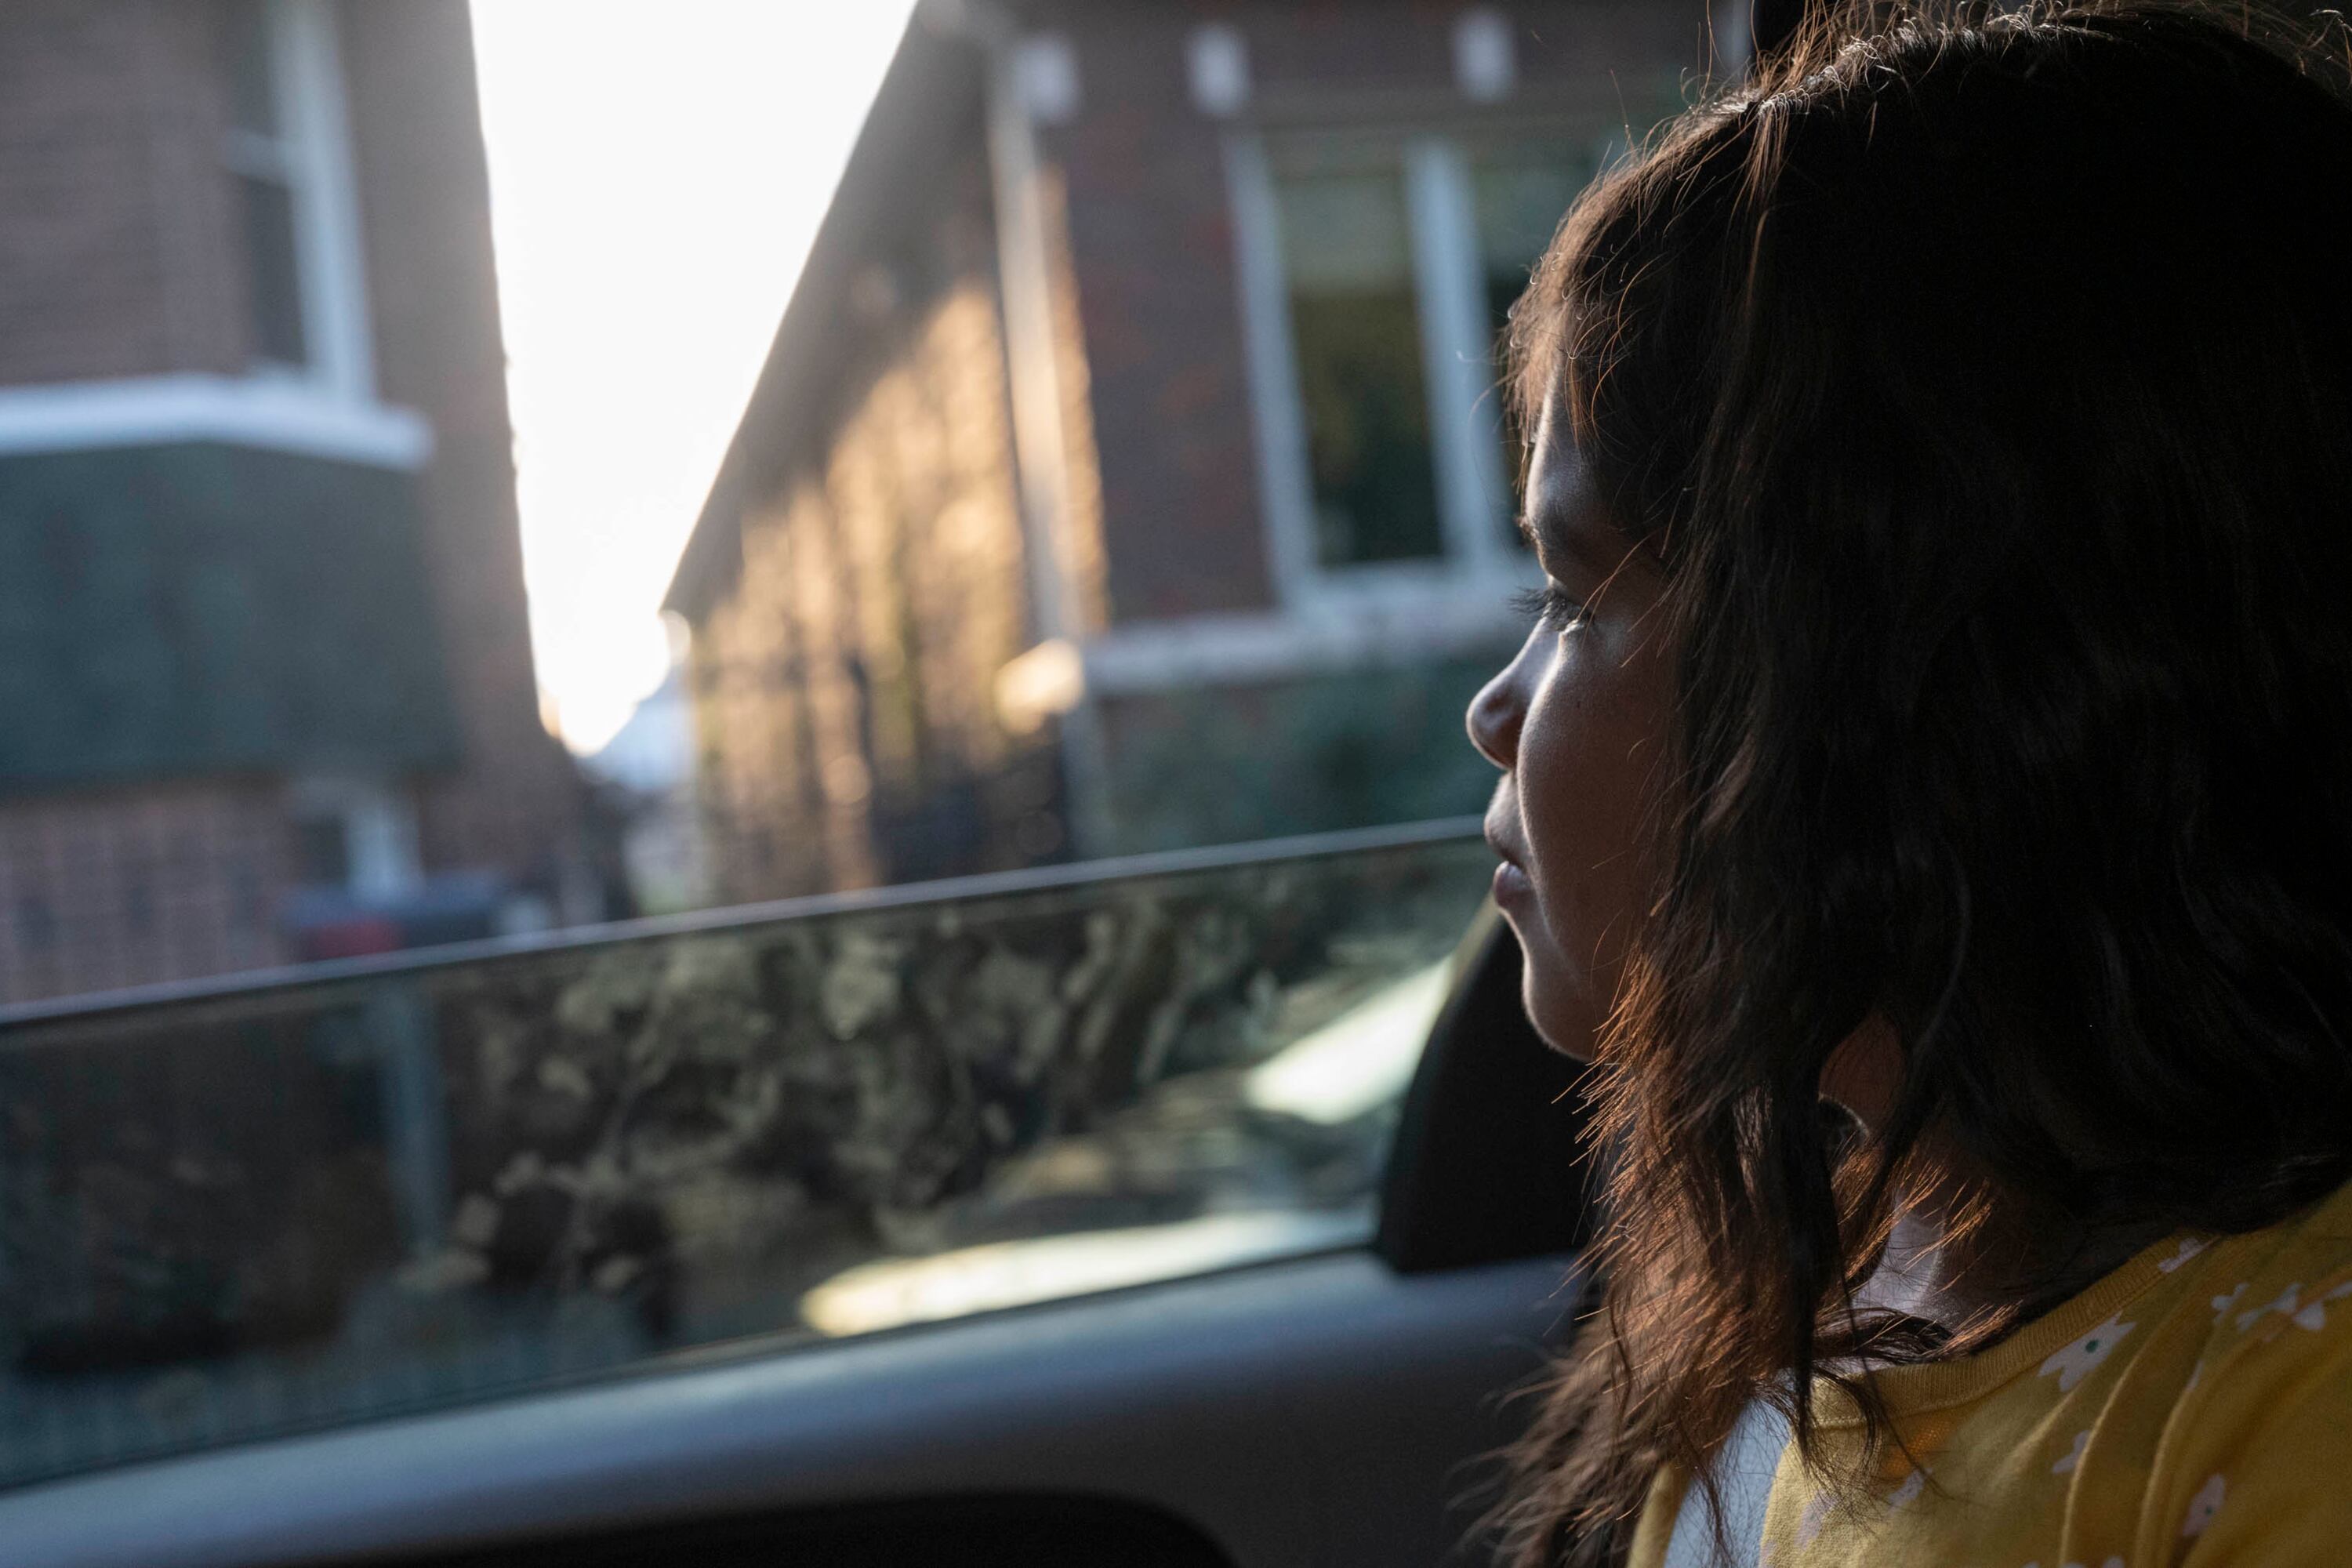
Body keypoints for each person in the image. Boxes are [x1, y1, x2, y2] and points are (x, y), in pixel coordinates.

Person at [1464, 3, 2352, 1564]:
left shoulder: (2295, 1404)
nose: (1495, 709)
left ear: (1873, 673)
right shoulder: (1834, 1248)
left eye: (1579, 596)